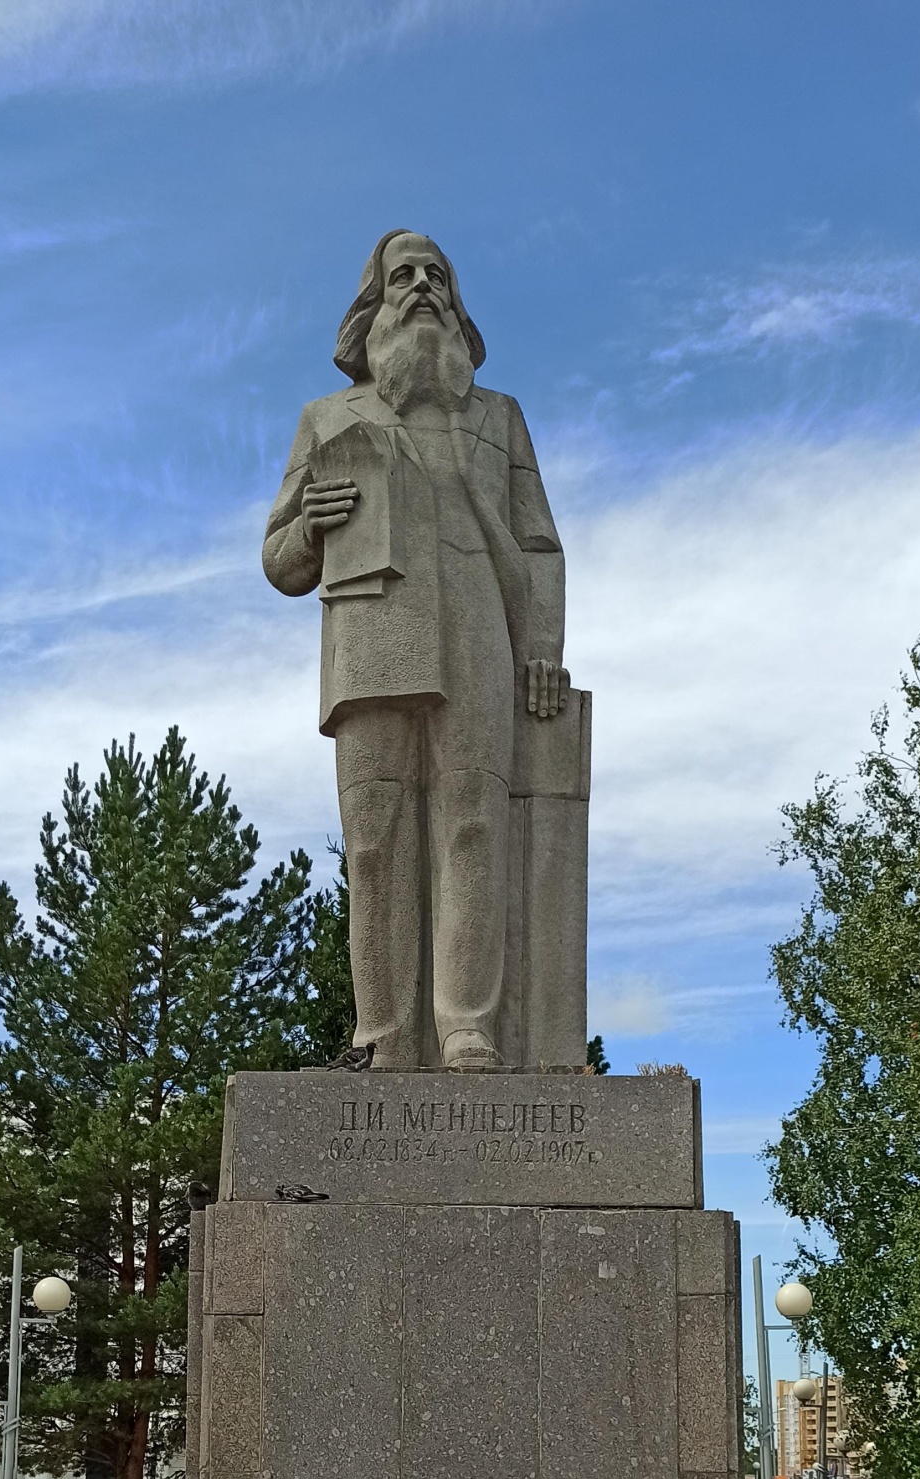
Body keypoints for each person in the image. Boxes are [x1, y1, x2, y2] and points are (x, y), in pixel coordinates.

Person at [263, 231, 577, 1070]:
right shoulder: (328, 419)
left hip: (477, 628)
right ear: (374, 302)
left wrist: (540, 645)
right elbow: (278, 560)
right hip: (369, 637)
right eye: (404, 276)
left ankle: (466, 1022)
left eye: (437, 276)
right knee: (373, 841)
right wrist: (313, 524)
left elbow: (539, 545)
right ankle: (384, 1035)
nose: (423, 287)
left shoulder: (496, 415)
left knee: (473, 822)